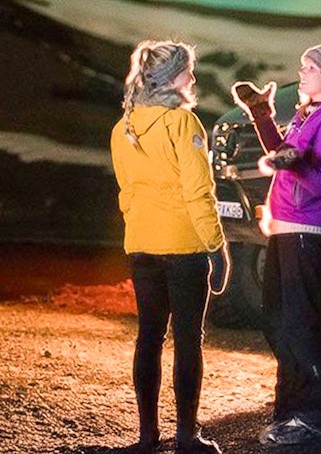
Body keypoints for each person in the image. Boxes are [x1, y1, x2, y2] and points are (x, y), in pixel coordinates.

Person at [232, 41, 321, 446]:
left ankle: (312, 417)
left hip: (309, 234)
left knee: (300, 325)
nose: (301, 72)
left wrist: (292, 161)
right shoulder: (307, 117)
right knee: (278, 320)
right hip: (287, 231)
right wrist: (260, 113)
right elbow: (281, 153)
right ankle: (290, 412)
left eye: (309, 67)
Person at [110, 40, 229, 454]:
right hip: (184, 245)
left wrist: (139, 228)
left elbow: (126, 193)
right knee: (187, 339)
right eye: (187, 71)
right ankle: (186, 436)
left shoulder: (121, 128)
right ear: (170, 78)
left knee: (148, 335)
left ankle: (146, 437)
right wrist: (216, 245)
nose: (192, 79)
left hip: (140, 244)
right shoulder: (183, 124)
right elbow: (200, 191)